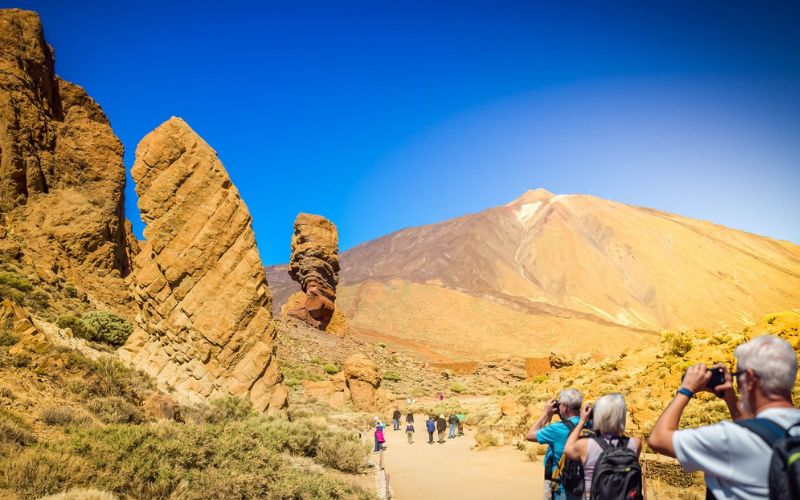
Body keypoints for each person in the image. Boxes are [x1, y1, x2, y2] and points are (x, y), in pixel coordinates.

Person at [648, 334, 800, 500]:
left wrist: (687, 389)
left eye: (738, 375)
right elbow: (756, 428)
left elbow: (658, 439)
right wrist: (729, 397)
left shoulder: (730, 439)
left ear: (749, 378)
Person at [564, 394, 641, 499]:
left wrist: (581, 421)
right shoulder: (635, 443)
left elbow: (567, 449)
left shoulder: (586, 445)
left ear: (598, 416)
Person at [526, 388, 583, 500]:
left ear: (565, 406)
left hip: (562, 487)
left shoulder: (557, 429)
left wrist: (545, 413)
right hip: (583, 484)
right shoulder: (589, 423)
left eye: (560, 404)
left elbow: (529, 435)